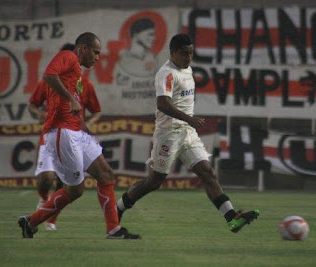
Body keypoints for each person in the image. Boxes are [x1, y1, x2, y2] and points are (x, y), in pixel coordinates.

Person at [116, 33, 260, 234]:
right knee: (154, 181)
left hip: (187, 133)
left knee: (208, 173)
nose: (189, 57)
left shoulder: (187, 69)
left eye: (191, 53)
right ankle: (118, 208)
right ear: (173, 53)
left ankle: (231, 218)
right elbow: (162, 103)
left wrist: (188, 123)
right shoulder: (166, 73)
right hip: (168, 134)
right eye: (184, 53)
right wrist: (189, 118)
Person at [18, 32, 140, 239]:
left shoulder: (79, 75)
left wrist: (85, 127)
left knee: (106, 174)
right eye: (95, 52)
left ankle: (114, 229)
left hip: (76, 131)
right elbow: (48, 75)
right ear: (82, 48)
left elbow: (73, 102)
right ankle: (31, 221)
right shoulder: (68, 56)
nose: (98, 57)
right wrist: (71, 100)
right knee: (75, 190)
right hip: (61, 132)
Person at [28, 43, 102, 231]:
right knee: (47, 178)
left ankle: (51, 219)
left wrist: (87, 126)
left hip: (74, 135)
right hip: (54, 133)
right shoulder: (48, 82)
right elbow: (32, 104)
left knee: (70, 184)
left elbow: (97, 111)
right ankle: (44, 200)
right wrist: (40, 114)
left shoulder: (85, 84)